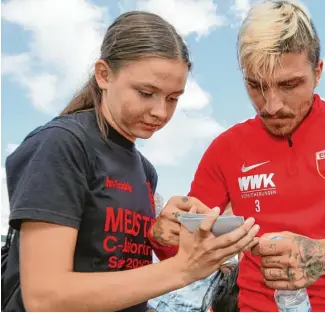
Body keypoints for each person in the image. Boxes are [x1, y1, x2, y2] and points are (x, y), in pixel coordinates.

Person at [150, 0, 325, 311]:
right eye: (256, 86)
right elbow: (190, 251)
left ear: (318, 72)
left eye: (289, 85)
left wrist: (322, 255)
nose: (271, 105)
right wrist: (164, 234)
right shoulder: (226, 148)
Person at [1, 11, 260, 312]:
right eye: (146, 93)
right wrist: (182, 269)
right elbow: (44, 297)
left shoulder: (145, 170)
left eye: (173, 98)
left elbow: (116, 268)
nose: (160, 112)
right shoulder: (61, 145)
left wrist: (157, 232)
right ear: (103, 75)